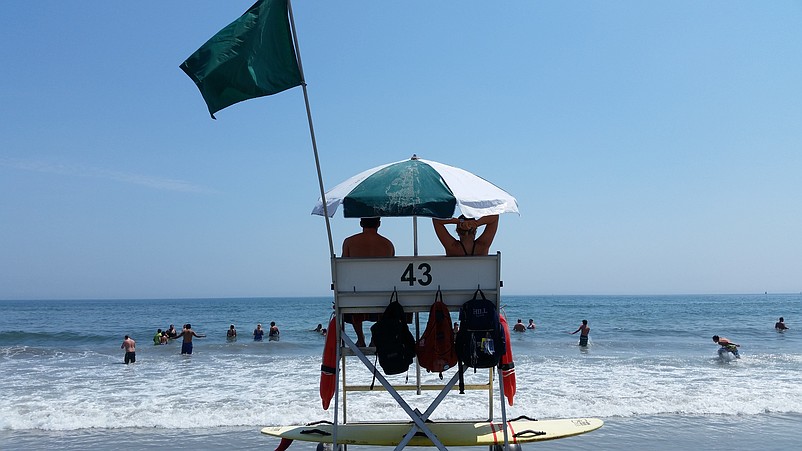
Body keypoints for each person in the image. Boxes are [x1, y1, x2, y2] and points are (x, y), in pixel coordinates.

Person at [341, 217, 395, 347]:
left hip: (356, 292)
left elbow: (343, 269)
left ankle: (360, 338)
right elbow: (391, 271)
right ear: (379, 224)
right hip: (382, 293)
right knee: (385, 299)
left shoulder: (349, 242)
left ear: (361, 223)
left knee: (353, 296)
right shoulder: (388, 244)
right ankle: (376, 337)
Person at [432, 214, 499, 256]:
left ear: (457, 231)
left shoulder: (453, 247)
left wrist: (459, 221)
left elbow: (436, 220)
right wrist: (476, 223)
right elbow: (495, 217)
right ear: (475, 231)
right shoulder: (482, 246)